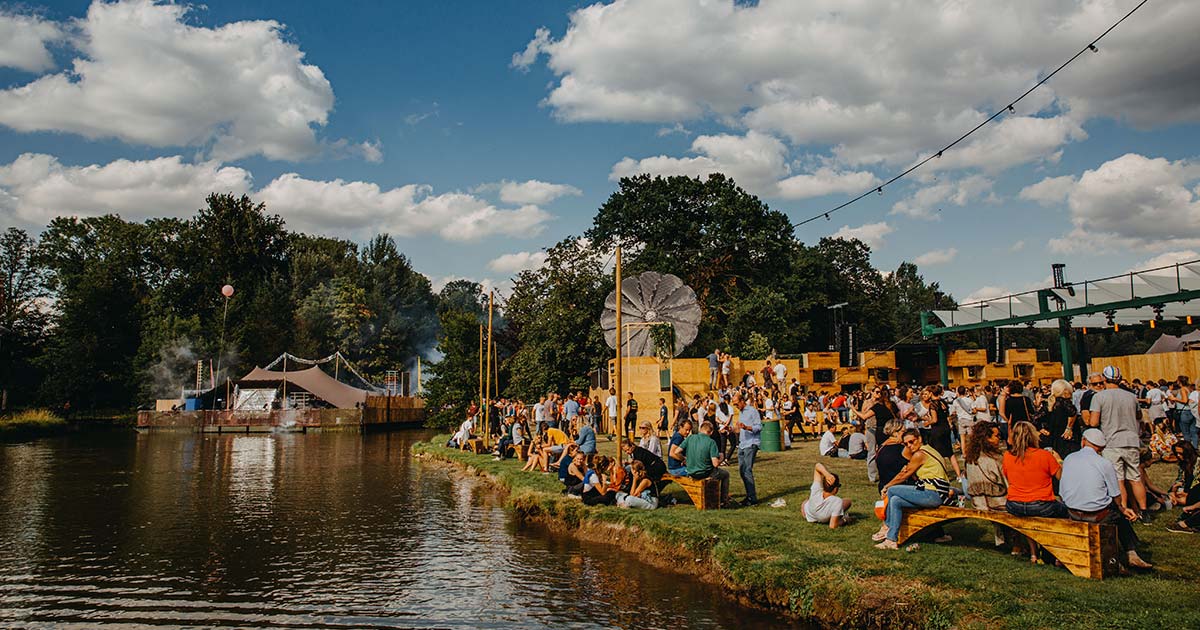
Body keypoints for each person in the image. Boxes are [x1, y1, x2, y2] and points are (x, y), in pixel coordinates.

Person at [1060, 429, 1153, 569]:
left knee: (1115, 510)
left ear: (1083, 441)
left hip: (1072, 511)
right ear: (1101, 448)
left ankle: (1128, 554)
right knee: (1118, 514)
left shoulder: (1069, 458)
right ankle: (1131, 553)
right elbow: (1116, 495)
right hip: (1095, 514)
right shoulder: (1104, 463)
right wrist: (1122, 508)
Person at [874, 429, 956, 549]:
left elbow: (904, 475)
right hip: (937, 493)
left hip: (932, 494)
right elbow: (906, 472)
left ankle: (886, 526)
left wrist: (886, 487)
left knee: (892, 491)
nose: (909, 446)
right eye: (906, 444)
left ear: (920, 439)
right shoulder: (929, 451)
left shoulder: (919, 455)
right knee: (895, 500)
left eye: (911, 442)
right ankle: (891, 540)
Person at [1087, 366, 1148, 518]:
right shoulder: (1131, 396)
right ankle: (1144, 511)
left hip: (1111, 442)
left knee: (1118, 479)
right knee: (1135, 478)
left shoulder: (1099, 397)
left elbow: (1093, 422)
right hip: (1131, 440)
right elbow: (1139, 415)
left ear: (1104, 380)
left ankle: (1124, 510)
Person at [1003, 421, 1065, 563]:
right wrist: (1059, 460)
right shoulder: (1044, 455)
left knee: (1028, 519)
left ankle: (1033, 553)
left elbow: (1007, 476)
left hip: (1015, 503)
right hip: (1041, 503)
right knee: (1064, 511)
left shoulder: (1008, 456)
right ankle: (1057, 552)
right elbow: (1062, 477)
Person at [964, 421, 1009, 546]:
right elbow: (1007, 483)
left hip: (978, 502)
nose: (999, 439)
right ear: (987, 438)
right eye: (997, 436)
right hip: (997, 503)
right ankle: (1018, 545)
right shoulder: (996, 459)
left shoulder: (970, 458)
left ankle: (1001, 540)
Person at [671, 421, 732, 507]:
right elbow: (715, 464)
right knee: (725, 474)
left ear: (700, 429)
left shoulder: (690, 438)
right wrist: (721, 457)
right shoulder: (711, 442)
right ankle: (724, 500)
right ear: (711, 432)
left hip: (691, 472)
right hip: (705, 473)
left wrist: (685, 460)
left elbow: (676, 452)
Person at [733, 391, 762, 506]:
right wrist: (732, 430)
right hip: (742, 443)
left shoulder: (752, 411)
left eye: (736, 404)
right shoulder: (741, 413)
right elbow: (739, 429)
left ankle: (752, 498)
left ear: (742, 401)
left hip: (751, 443)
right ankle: (749, 495)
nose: (736, 406)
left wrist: (747, 427)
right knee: (742, 471)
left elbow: (759, 427)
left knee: (747, 470)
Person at [803, 463, 851, 528]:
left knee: (805, 502)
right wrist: (845, 520)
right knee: (848, 502)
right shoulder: (837, 501)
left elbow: (817, 465)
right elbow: (832, 526)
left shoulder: (817, 489)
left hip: (809, 514)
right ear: (835, 488)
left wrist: (827, 474)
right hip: (823, 518)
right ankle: (833, 516)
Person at [1044, 379, 1080, 458]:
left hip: (1054, 440)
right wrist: (1069, 427)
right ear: (1066, 391)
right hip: (1068, 440)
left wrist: (1042, 429)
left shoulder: (1049, 403)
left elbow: (1036, 418)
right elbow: (1073, 412)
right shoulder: (1064, 402)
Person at [874, 420, 909, 493]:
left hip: (883, 485)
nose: (906, 434)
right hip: (900, 486)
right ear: (895, 433)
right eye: (904, 432)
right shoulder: (903, 449)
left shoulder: (881, 447)